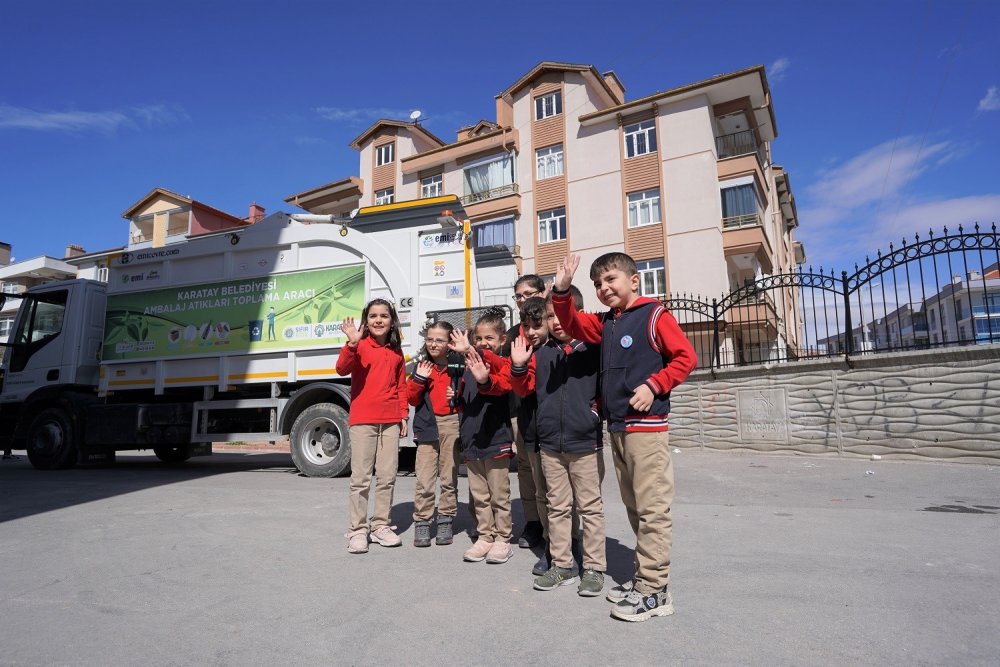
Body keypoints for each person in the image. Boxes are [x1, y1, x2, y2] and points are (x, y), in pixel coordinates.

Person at [551, 252, 697, 622]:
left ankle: (655, 592)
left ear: (634, 281)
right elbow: (570, 322)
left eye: (610, 279)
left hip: (646, 430)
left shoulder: (654, 315)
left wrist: (655, 385)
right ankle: (644, 580)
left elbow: (685, 358)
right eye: (598, 283)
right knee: (636, 509)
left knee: (652, 510)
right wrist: (563, 290)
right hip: (618, 427)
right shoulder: (607, 324)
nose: (603, 288)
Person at [510, 288, 607, 597]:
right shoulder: (542, 353)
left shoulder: (592, 347)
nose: (556, 322)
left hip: (584, 442)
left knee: (590, 508)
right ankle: (562, 565)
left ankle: (593, 567)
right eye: (550, 316)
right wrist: (518, 365)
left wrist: (593, 413)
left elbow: (603, 388)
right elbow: (524, 389)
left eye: (561, 315)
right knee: (557, 507)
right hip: (551, 444)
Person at [337, 298, 409, 554]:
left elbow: (401, 385)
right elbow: (341, 369)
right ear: (366, 320)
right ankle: (357, 530)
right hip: (363, 420)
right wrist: (351, 344)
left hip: (390, 420)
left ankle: (380, 526)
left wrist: (403, 414)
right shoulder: (358, 345)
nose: (378, 320)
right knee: (361, 478)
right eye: (373, 316)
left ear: (392, 321)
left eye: (384, 316)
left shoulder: (395, 351)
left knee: (388, 476)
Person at [448, 311, 515, 564]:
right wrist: (454, 398)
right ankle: (485, 536)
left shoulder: (503, 363)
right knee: (479, 495)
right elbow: (465, 401)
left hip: (496, 438)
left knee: (499, 494)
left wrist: (477, 364)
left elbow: (503, 386)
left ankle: (502, 538)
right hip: (472, 439)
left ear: (502, 339)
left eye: (490, 337)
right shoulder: (467, 368)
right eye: (479, 338)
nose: (483, 342)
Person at [408, 321, 461, 547]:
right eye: (430, 339)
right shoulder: (422, 366)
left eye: (439, 340)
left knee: (449, 476)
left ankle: (445, 518)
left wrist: (456, 395)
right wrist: (419, 378)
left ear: (450, 343)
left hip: (451, 423)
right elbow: (411, 398)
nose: (433, 344)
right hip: (427, 425)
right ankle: (422, 521)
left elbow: (469, 394)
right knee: (424, 477)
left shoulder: (459, 366)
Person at [504, 275, 547, 550]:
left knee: (549, 471)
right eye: (518, 296)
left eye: (529, 293)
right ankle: (533, 522)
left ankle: (557, 530)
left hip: (552, 411)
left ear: (544, 293)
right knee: (525, 469)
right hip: (521, 411)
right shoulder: (512, 333)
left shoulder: (553, 325)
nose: (523, 299)